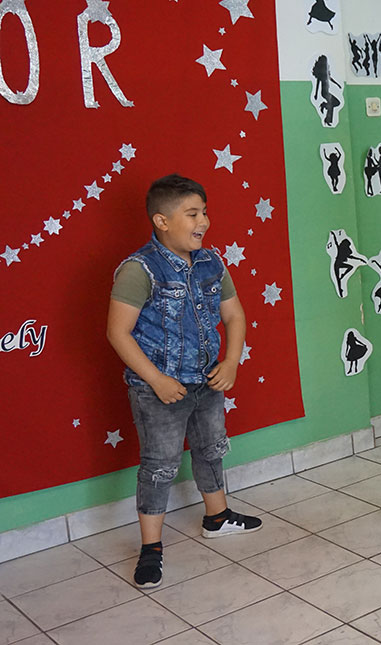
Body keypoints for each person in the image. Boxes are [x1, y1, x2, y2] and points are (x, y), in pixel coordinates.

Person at [106, 175, 261, 589]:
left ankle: (217, 516)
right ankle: (151, 547)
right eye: (192, 214)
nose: (203, 222)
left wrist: (231, 362)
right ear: (162, 221)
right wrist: (156, 380)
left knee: (211, 449)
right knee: (159, 466)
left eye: (204, 212)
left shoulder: (211, 262)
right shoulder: (140, 270)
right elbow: (118, 332)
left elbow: (234, 315)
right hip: (158, 390)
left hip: (206, 381)